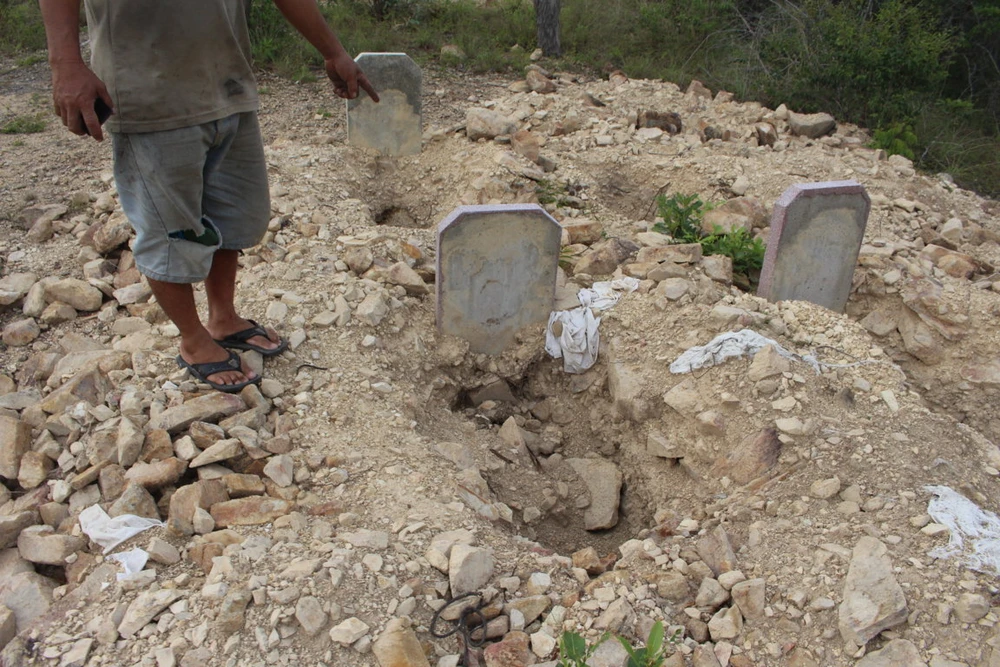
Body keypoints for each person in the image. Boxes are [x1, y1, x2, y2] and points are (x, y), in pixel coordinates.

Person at [39, 0, 379, 392]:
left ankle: (223, 318)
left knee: (233, 215)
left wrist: (333, 51)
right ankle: (193, 340)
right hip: (148, 94)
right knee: (170, 231)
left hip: (227, 85)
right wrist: (65, 63)